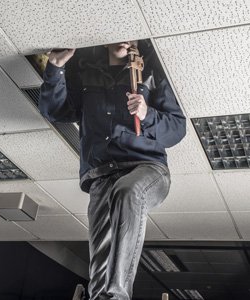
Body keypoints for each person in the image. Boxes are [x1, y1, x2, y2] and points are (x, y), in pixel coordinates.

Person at [39, 40, 186, 300]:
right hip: (101, 176)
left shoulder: (150, 76)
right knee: (100, 264)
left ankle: (118, 295)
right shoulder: (87, 75)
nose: (124, 38)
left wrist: (147, 114)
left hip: (147, 169)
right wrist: (55, 67)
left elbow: (177, 130)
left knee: (127, 191)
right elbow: (55, 110)